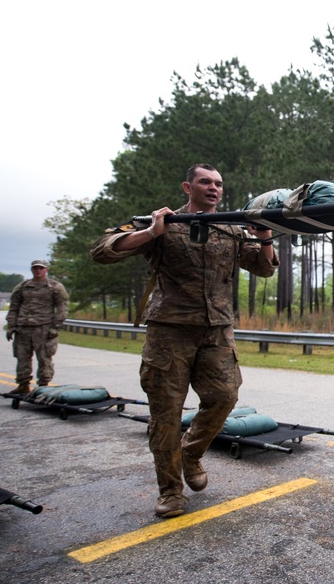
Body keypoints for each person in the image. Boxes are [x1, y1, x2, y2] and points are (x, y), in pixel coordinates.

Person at [91, 163, 279, 519]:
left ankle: (190, 453)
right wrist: (151, 232)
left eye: (218, 183)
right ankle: (170, 491)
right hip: (169, 332)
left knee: (224, 397)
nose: (213, 188)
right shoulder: (161, 222)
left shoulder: (230, 227)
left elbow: (264, 267)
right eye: (205, 182)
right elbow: (102, 250)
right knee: (165, 414)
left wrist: (264, 237)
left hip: (217, 330)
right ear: (187, 187)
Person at [6, 259, 69, 394]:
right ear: (31, 270)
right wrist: (11, 326)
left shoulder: (55, 287)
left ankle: (43, 385)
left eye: (41, 268)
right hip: (23, 328)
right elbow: (14, 307)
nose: (38, 271)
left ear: (46, 270)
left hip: (43, 328)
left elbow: (62, 308)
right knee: (22, 357)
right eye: (35, 268)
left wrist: (55, 327)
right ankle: (23, 385)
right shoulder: (22, 287)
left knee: (44, 357)